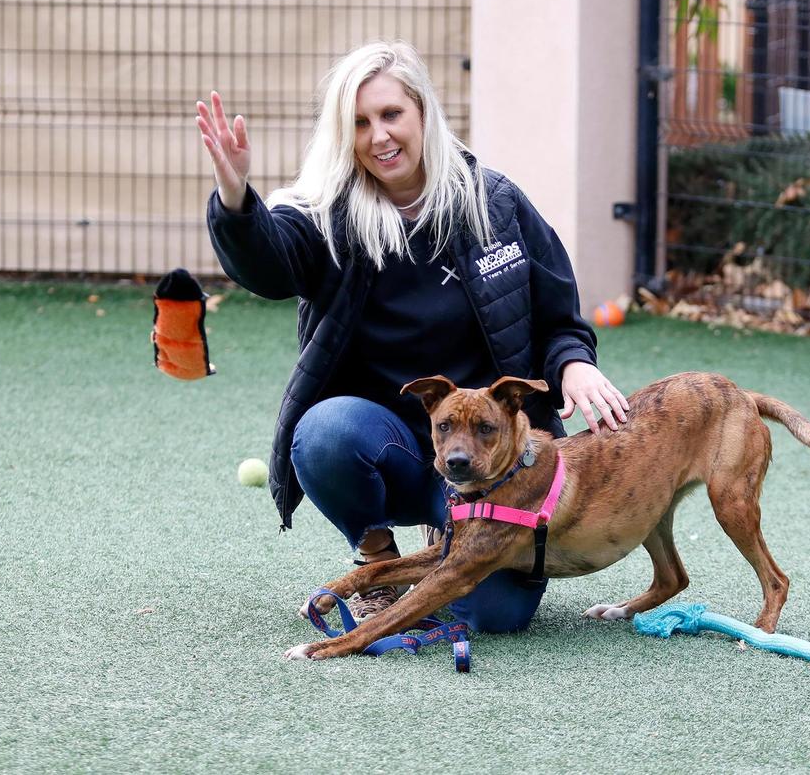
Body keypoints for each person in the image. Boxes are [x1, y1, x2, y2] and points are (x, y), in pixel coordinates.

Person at [196, 40, 628, 633]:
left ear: (422, 111)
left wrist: (574, 362)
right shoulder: (324, 212)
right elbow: (269, 266)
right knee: (322, 433)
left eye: (391, 114)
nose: (379, 136)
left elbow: (558, 315)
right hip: (390, 444)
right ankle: (376, 558)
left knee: (496, 617)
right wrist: (236, 198)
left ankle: (448, 532)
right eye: (360, 123)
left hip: (497, 455)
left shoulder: (493, 202)